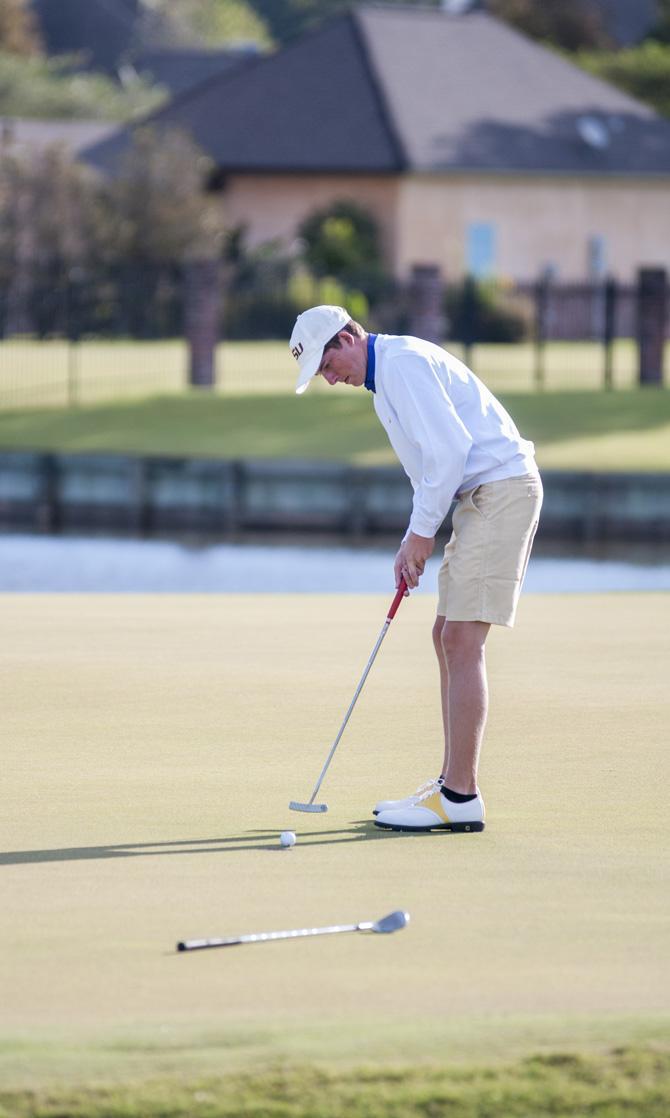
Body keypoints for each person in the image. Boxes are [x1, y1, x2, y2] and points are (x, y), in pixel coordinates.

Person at [289, 305, 542, 833]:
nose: (329, 378)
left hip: (501, 490)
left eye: (327, 364)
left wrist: (423, 535)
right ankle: (451, 780)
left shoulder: (401, 364)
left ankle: (460, 797)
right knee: (444, 636)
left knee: (461, 641)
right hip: (480, 496)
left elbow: (451, 452)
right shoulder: (383, 384)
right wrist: (413, 538)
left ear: (346, 337)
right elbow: (426, 470)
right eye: (319, 373)